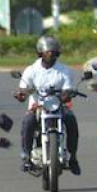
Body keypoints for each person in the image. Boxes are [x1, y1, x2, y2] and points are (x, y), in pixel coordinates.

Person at [15, 35, 81, 176]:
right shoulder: (31, 70)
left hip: (59, 106)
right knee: (28, 122)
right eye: (47, 52)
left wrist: (66, 94)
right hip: (37, 106)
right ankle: (26, 157)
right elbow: (23, 90)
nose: (50, 54)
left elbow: (68, 89)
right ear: (40, 53)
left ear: (57, 53)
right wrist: (22, 94)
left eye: (53, 52)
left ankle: (73, 157)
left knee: (71, 120)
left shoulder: (65, 70)